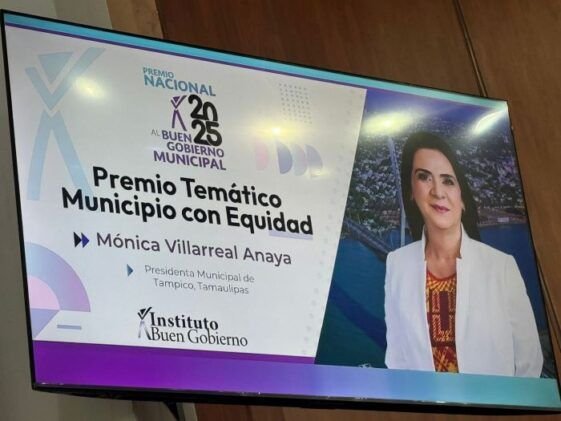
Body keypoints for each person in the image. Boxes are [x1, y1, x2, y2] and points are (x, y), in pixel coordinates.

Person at [384, 131, 543, 377]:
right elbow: (397, 356)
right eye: (424, 177)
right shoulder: (397, 264)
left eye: (448, 181)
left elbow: (529, 361)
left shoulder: (501, 267)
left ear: (463, 198)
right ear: (411, 191)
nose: (438, 191)